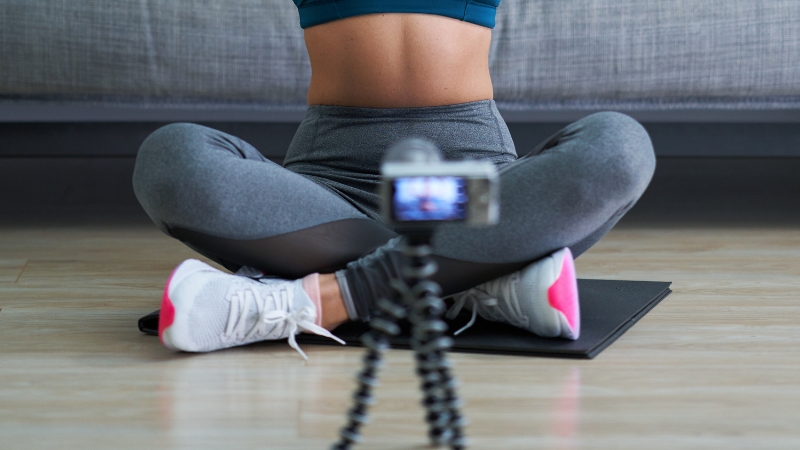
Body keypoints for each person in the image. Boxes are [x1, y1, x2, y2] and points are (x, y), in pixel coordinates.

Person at [132, 0, 656, 359]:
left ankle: (328, 298)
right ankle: (467, 277)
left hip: (467, 189)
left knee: (619, 149)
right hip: (330, 197)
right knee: (172, 159)